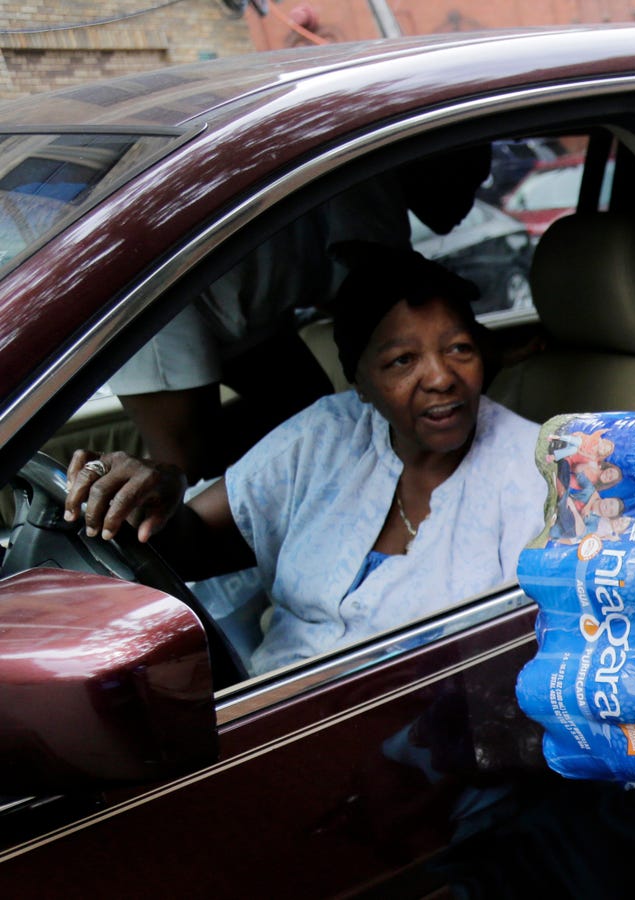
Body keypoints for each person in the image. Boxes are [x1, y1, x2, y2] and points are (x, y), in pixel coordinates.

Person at [63, 241, 547, 675]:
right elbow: (198, 542)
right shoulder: (326, 435)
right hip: (275, 714)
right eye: (403, 360)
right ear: (358, 382)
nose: (442, 377)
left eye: (460, 349)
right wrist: (156, 493)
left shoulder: (536, 476)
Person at [108, 146, 492, 481]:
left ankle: (254, 496)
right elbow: (382, 298)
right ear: (437, 163)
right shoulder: (374, 176)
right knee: (182, 468)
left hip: (247, 310)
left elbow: (352, 293)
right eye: (471, 178)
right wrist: (478, 348)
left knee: (312, 415)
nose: (470, 200)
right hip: (162, 297)